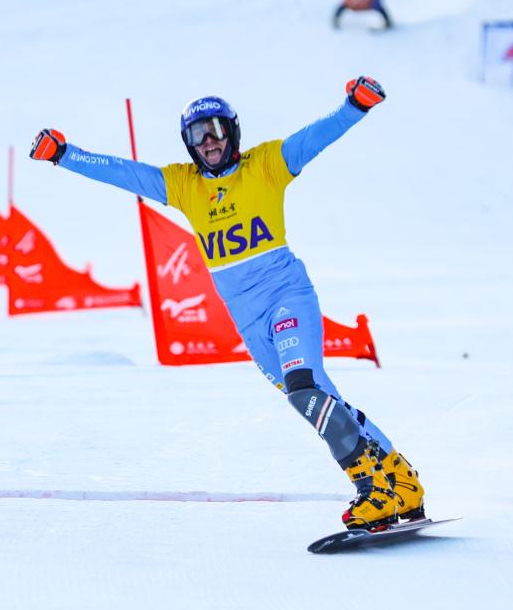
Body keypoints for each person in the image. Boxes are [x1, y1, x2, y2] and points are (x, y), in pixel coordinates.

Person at [29, 77, 425, 531]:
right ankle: (402, 481)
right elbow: (124, 172)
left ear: (233, 132)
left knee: (305, 390)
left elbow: (315, 137)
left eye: (216, 130)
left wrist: (354, 106)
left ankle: (373, 490)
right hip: (248, 321)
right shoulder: (184, 185)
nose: (209, 142)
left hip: (286, 298)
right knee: (320, 400)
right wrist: (65, 154)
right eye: (197, 135)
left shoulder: (266, 165)